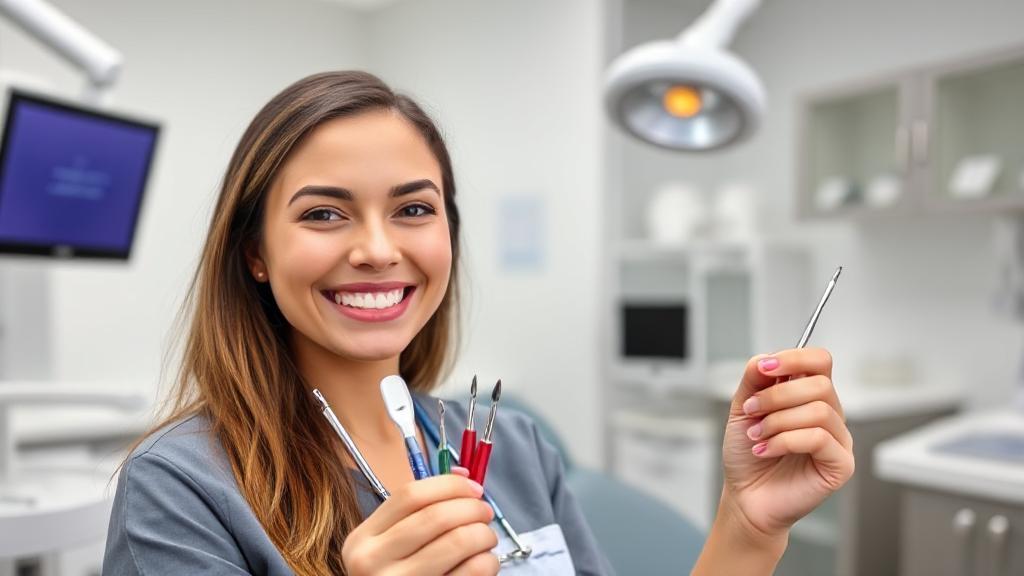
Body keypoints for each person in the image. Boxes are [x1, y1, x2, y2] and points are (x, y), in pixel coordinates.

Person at [102, 71, 854, 575]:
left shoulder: (517, 448)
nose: (377, 248)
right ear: (255, 253)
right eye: (325, 213)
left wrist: (748, 528)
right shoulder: (182, 488)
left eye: (414, 209)